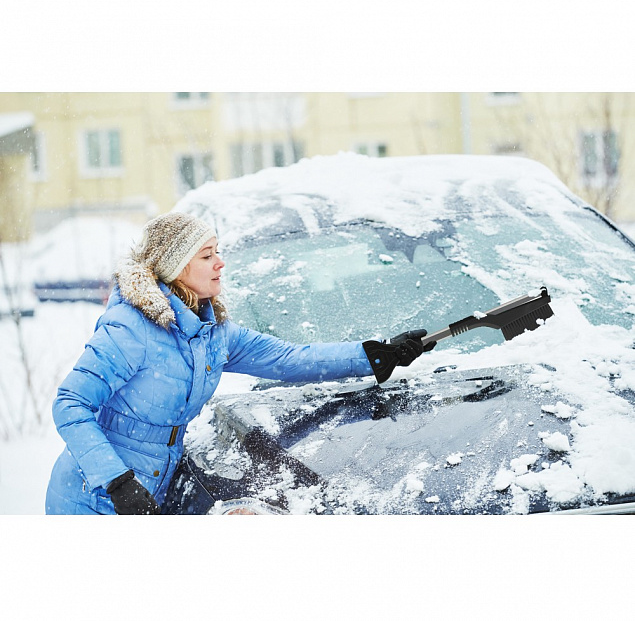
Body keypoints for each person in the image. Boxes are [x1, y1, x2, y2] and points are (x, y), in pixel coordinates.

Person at [45, 213, 435, 515]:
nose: (221, 263)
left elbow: (288, 359)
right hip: (90, 496)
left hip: (151, 490)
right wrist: (116, 481)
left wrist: (374, 355)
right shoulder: (132, 329)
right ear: (177, 267)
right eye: (208, 255)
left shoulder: (212, 333)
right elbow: (70, 404)